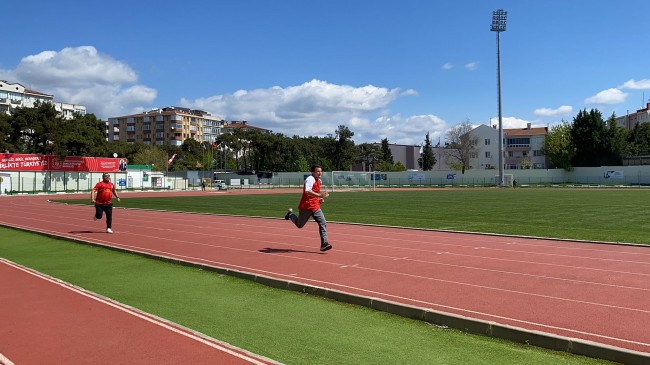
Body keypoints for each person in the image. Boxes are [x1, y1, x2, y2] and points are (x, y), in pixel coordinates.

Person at [285, 165, 332, 252]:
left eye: (320, 171)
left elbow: (315, 193)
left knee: (323, 222)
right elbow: (307, 191)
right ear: (313, 172)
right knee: (300, 225)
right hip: (306, 206)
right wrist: (320, 195)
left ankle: (324, 244)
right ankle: (290, 215)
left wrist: (319, 199)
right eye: (317, 171)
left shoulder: (319, 181)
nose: (319, 173)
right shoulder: (310, 179)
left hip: (315, 207)